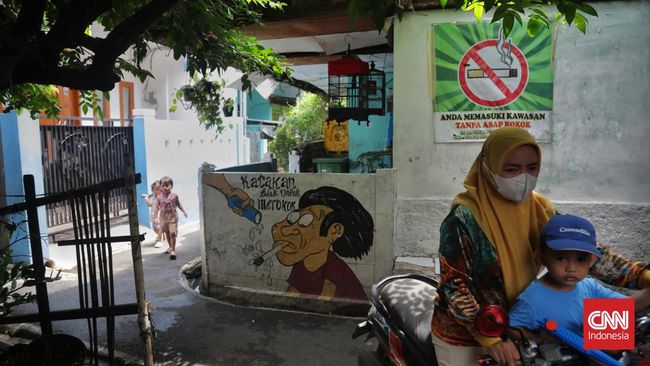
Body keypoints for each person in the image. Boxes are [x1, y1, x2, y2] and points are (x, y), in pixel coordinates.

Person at [430, 127, 650, 366]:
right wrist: (490, 339)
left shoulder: (538, 208)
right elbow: (455, 286)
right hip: (466, 337)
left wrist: (641, 276)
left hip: (519, 328)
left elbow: (580, 249)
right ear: (489, 167)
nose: (524, 177)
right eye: (512, 169)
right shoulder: (464, 218)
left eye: (532, 168)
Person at [509, 213, 650, 336]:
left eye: (581, 259)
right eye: (561, 258)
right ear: (541, 258)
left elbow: (628, 306)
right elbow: (512, 329)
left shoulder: (590, 288)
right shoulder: (531, 300)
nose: (571, 268)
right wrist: (538, 340)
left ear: (592, 261)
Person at [271, 186, 373, 301]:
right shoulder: (300, 264)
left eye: (305, 222)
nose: (286, 229)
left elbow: (325, 301)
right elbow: (293, 291)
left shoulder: (334, 267)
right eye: (292, 219)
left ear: (335, 231)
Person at [152, 176, 188, 260]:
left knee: (172, 233)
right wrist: (155, 217)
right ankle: (170, 247)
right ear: (160, 187)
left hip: (172, 217)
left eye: (167, 185)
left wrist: (184, 211)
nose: (165, 187)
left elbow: (178, 204)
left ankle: (173, 251)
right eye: (163, 186)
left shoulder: (174, 196)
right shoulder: (159, 197)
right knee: (167, 233)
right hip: (163, 218)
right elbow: (157, 208)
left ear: (171, 186)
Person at [142, 180, 165, 248]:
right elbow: (149, 205)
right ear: (153, 190)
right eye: (156, 189)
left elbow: (151, 204)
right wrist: (147, 199)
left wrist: (146, 199)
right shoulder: (154, 197)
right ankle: (160, 236)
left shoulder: (160, 198)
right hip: (153, 216)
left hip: (158, 216)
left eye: (160, 190)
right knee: (155, 228)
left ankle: (160, 240)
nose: (158, 191)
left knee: (158, 228)